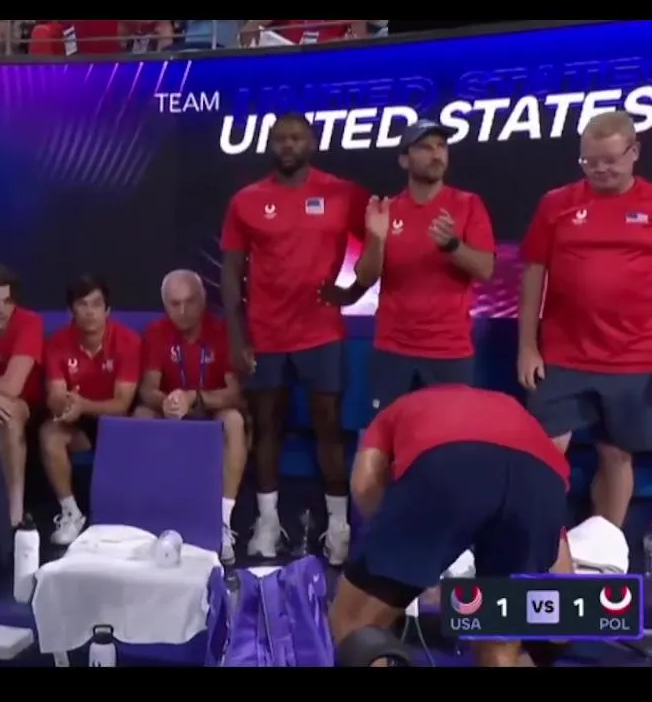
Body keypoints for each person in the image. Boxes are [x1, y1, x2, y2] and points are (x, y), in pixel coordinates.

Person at [219, 112, 371, 563]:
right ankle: (267, 524)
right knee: (268, 428)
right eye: (281, 139)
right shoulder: (247, 200)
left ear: (312, 143)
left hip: (321, 333)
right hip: (265, 335)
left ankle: (339, 529)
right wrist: (236, 335)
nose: (288, 145)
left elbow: (380, 245)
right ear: (271, 145)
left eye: (297, 138)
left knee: (329, 429)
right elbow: (231, 269)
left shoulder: (343, 193)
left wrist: (354, 291)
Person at [331, 385, 571, 667]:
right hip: (541, 484)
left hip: (448, 463)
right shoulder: (513, 414)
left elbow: (365, 485)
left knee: (355, 624)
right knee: (499, 639)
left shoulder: (393, 413)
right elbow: (563, 598)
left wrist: (413, 560)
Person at [519, 110, 652, 528]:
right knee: (543, 451)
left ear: (634, 152)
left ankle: (606, 546)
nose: (599, 169)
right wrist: (528, 346)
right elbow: (533, 273)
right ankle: (542, 543)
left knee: (616, 454)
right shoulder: (556, 203)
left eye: (609, 160)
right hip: (563, 356)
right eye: (589, 161)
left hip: (633, 358)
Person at [353, 121, 496, 411]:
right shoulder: (387, 210)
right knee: (389, 433)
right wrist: (377, 240)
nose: (436, 154)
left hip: (449, 349)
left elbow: (485, 269)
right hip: (393, 349)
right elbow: (365, 277)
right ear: (404, 159)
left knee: (448, 435)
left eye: (441, 146)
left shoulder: (468, 204)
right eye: (425, 147)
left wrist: (452, 246)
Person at [136, 270, 247, 562]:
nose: (183, 311)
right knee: (141, 415)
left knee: (234, 420)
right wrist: (166, 401)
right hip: (172, 413)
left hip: (209, 411)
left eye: (190, 302)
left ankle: (222, 522)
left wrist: (195, 397)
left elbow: (235, 392)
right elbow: (148, 389)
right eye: (175, 304)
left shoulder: (222, 330)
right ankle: (149, 519)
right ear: (165, 305)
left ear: (203, 299)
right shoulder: (156, 332)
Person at [41, 274, 141, 544]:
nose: (89, 312)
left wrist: (83, 404)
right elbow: (55, 393)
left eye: (96, 304)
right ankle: (71, 513)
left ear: (107, 310)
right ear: (71, 310)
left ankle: (127, 517)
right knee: (49, 434)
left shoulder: (128, 342)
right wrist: (63, 405)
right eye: (82, 304)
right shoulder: (57, 342)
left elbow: (121, 404)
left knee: (139, 420)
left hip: (117, 423)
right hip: (77, 423)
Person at [0, 263, 44, 527]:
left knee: (9, 412)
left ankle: (14, 515)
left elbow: (13, 386)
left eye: (8, 301)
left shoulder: (29, 323)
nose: (1, 309)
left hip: (24, 404)